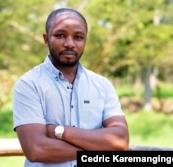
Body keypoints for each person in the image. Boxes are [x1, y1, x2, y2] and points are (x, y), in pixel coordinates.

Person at [12, 8, 129, 167]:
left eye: (78, 37)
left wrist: (58, 131)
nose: (69, 44)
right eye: (60, 35)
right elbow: (36, 149)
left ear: (85, 40)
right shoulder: (29, 84)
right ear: (46, 39)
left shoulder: (102, 85)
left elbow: (120, 140)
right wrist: (99, 147)